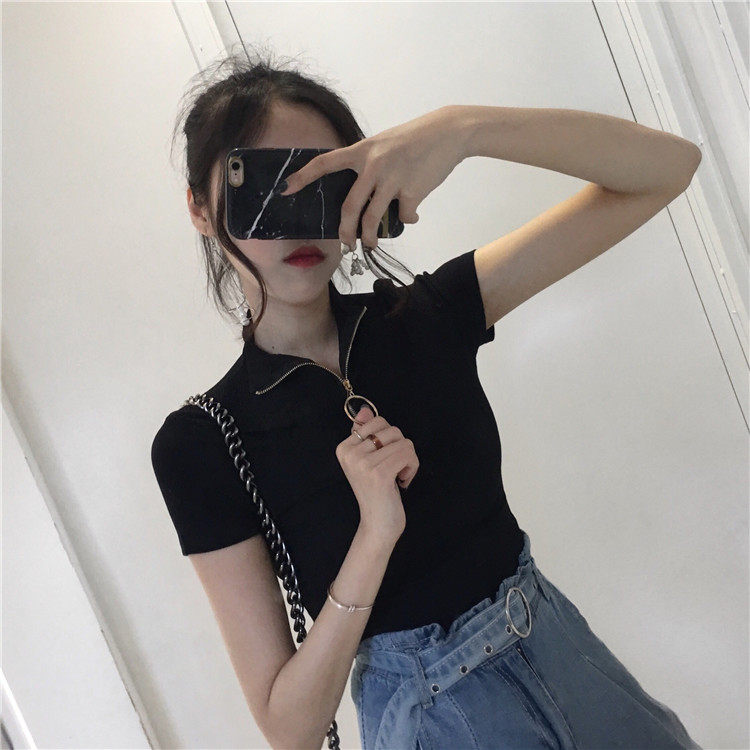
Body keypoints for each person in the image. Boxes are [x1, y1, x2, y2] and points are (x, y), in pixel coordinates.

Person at [151, 50, 702, 749]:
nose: (298, 220)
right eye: (263, 185)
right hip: (432, 722)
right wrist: (375, 535)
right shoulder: (202, 443)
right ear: (201, 209)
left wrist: (462, 129)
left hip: (569, 661)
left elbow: (668, 168)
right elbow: (289, 728)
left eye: (323, 179)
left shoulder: (427, 315)